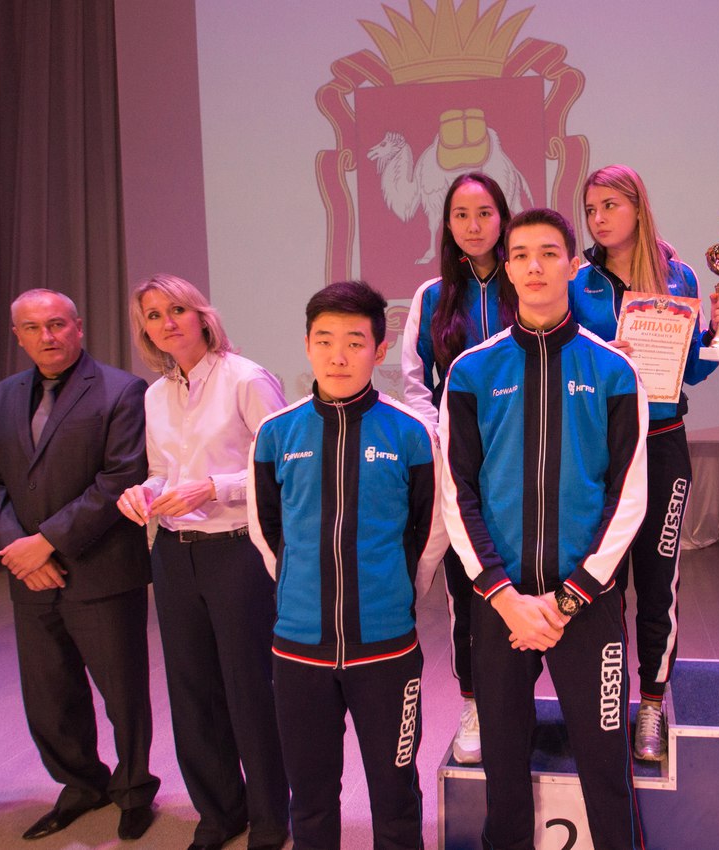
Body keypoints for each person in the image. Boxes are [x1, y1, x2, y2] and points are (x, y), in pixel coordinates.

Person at [440, 208, 649, 849]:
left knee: (607, 772)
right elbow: (457, 492)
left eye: (549, 253)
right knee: (503, 776)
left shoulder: (614, 370)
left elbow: (629, 495)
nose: (534, 266)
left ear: (572, 265)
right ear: (506, 268)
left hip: (585, 604)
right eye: (522, 254)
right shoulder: (472, 371)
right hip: (501, 607)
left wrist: (569, 598)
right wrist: (503, 596)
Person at [251, 281, 446, 850]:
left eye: (355, 342)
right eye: (324, 340)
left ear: (379, 350)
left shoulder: (410, 433)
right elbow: (267, 530)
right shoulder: (276, 432)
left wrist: (397, 591)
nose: (338, 356)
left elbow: (430, 529)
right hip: (298, 650)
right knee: (310, 799)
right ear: (307, 345)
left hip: (386, 650)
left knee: (395, 794)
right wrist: (300, 587)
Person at [0, 288, 160, 841]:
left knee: (122, 695)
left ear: (78, 327)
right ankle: (81, 785)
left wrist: (46, 543)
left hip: (101, 570)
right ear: (17, 336)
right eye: (33, 328)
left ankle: (133, 790)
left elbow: (119, 477)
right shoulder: (2, 396)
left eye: (56, 324)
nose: (46, 336)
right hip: (30, 576)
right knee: (49, 697)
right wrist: (19, 549)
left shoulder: (122, 390)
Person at [569, 164, 719, 761]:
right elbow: (564, 365)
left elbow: (693, 372)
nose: (598, 219)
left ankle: (650, 704)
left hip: (663, 443)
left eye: (610, 206)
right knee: (603, 579)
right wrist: (603, 359)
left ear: (638, 207)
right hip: (600, 450)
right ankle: (606, 699)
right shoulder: (578, 282)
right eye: (591, 210)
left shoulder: (679, 275)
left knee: (659, 577)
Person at [117, 274, 288, 850]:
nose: (166, 322)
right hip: (172, 553)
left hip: (236, 551)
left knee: (249, 688)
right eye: (153, 315)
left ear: (202, 315)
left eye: (176, 309)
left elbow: (279, 465)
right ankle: (218, 814)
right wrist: (143, 492)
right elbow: (161, 471)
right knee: (191, 691)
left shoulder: (246, 378)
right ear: (144, 329)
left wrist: (214, 487)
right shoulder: (154, 395)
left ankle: (271, 817)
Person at [401, 171, 515, 764]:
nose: (474, 226)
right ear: (446, 224)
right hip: (459, 464)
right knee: (467, 592)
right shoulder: (431, 296)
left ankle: (526, 702)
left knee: (528, 581)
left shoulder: (528, 279)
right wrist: (446, 440)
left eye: (485, 213)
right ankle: (472, 704)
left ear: (503, 217)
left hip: (524, 459)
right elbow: (415, 384)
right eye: (461, 215)